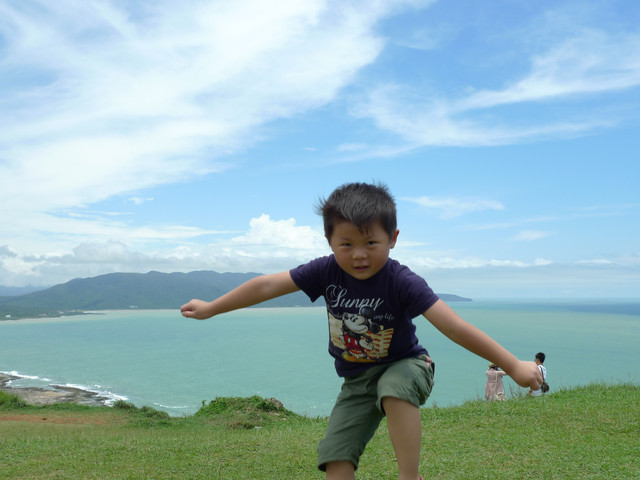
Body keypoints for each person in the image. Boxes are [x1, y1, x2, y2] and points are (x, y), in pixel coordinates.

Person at [181, 182, 543, 480]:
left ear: (393, 238)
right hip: (356, 381)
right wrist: (212, 308)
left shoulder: (402, 281)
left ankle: (410, 477)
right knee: (335, 459)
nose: (359, 255)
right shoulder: (324, 271)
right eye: (346, 244)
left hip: (408, 364)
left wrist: (513, 365)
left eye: (371, 243)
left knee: (394, 389)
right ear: (329, 241)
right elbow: (266, 285)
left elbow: (454, 325)